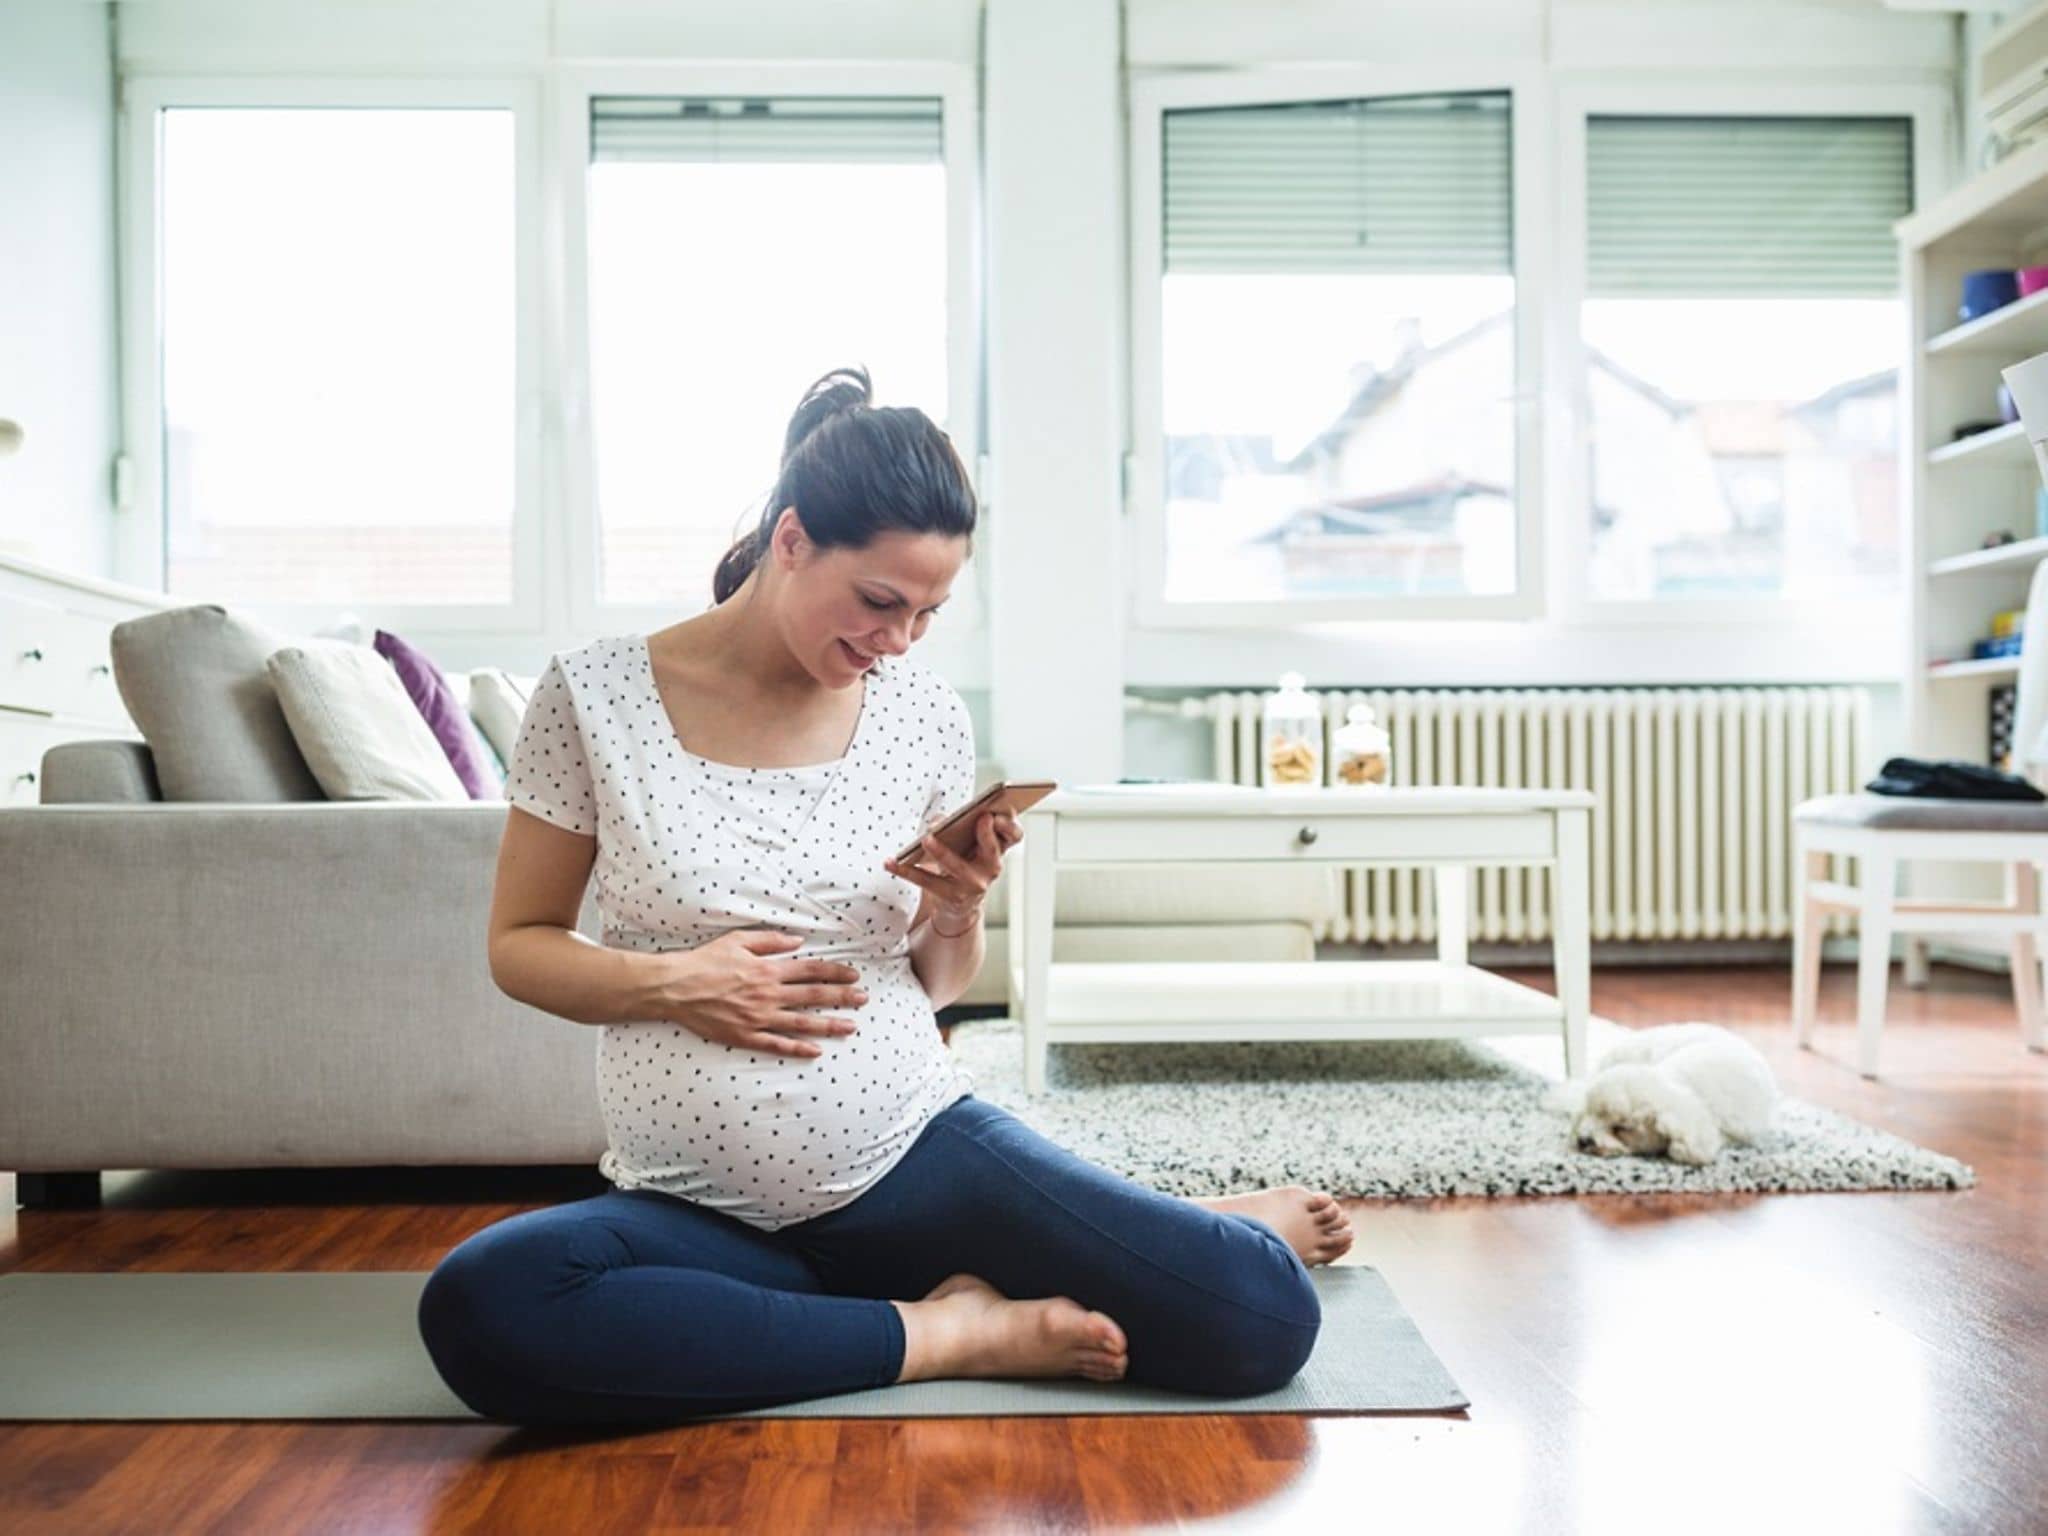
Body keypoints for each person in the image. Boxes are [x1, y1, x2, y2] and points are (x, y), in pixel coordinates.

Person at [417, 365, 1354, 1426]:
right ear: (790, 541)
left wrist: (956, 910)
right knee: (484, 1309)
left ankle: (1177, 1233)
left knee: (1259, 1318)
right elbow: (519, 944)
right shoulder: (593, 696)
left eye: (928, 613)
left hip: (915, 1158)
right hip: (689, 1202)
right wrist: (672, 984)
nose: (897, 641)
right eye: (878, 603)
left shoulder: (919, 711)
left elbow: (939, 984)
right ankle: (952, 1328)